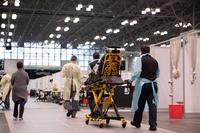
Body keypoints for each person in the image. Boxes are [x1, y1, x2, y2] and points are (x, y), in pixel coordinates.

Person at [130, 46, 159, 131]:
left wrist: (131, 80)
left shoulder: (140, 59)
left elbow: (137, 72)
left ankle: (137, 122)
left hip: (143, 85)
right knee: (152, 105)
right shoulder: (155, 61)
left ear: (141, 51)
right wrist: (152, 78)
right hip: (154, 85)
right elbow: (158, 73)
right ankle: (153, 125)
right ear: (149, 51)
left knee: (140, 104)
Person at [85, 52, 100, 116]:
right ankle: (100, 112)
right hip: (103, 82)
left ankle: (94, 112)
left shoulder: (91, 64)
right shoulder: (102, 62)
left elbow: (89, 74)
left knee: (90, 97)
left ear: (93, 57)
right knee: (100, 97)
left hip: (94, 83)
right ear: (99, 56)